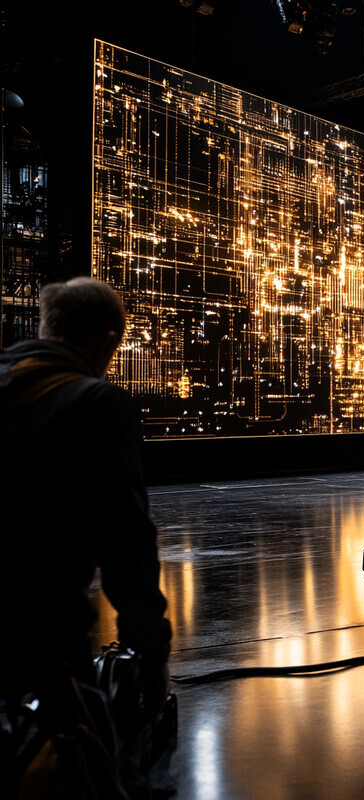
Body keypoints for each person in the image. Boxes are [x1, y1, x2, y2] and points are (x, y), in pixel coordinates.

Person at [0, 276, 172, 798]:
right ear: (107, 341)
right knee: (102, 755)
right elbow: (127, 545)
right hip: (33, 621)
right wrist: (150, 653)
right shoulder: (96, 402)